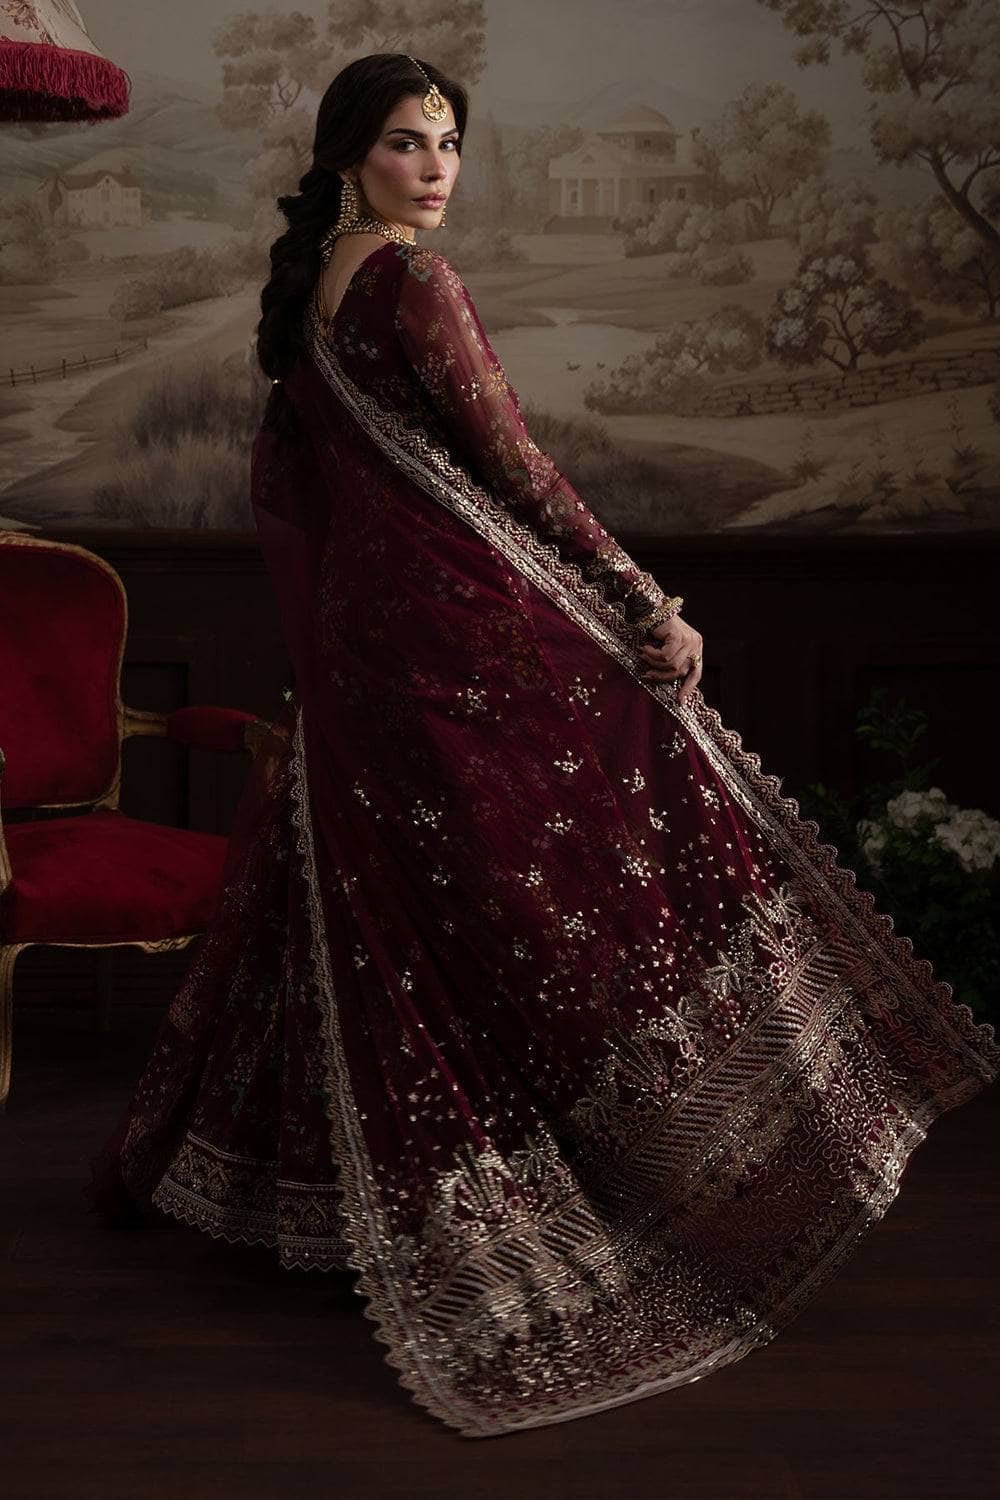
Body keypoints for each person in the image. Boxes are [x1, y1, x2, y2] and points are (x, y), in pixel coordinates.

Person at [85, 53, 999, 1440]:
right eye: (408, 143)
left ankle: (327, 1209)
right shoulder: (408, 283)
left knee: (397, 916)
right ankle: (674, 1168)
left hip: (368, 658)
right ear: (350, 160)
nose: (439, 165)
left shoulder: (312, 305)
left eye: (452, 141)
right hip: (452, 647)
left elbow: (317, 501)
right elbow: (515, 463)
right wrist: (643, 600)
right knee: (533, 886)